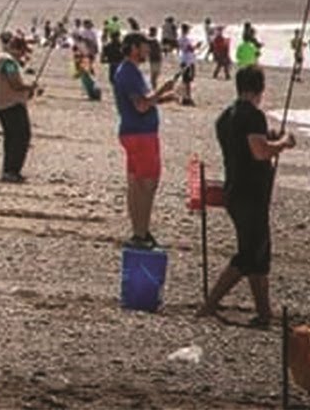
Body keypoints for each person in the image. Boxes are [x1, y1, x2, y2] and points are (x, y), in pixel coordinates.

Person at [197, 65, 296, 327]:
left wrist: (269, 139)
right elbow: (260, 152)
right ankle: (209, 305)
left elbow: (246, 145)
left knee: (260, 255)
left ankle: (264, 315)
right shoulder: (253, 115)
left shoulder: (226, 116)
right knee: (248, 255)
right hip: (249, 194)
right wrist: (283, 143)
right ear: (260, 89)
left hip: (236, 191)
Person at [113, 33, 177, 249]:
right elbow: (141, 106)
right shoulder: (128, 72)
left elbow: (143, 102)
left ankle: (139, 231)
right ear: (133, 48)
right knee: (147, 184)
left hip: (133, 132)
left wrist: (163, 98)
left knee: (135, 183)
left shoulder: (129, 71)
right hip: (141, 134)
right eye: (144, 47)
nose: (147, 51)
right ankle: (140, 234)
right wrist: (163, 90)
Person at [0, 35, 38, 183]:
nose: (23, 55)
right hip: (11, 105)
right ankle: (12, 171)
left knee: (11, 139)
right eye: (23, 51)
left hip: (4, 104)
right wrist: (29, 87)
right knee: (20, 138)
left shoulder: (1, 57)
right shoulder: (9, 62)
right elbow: (15, 84)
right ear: (17, 48)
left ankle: (9, 170)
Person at [177, 23, 202, 106]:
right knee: (187, 80)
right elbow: (189, 49)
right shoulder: (185, 39)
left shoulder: (181, 38)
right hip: (188, 61)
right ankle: (187, 98)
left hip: (185, 60)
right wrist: (197, 46)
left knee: (186, 80)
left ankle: (186, 97)